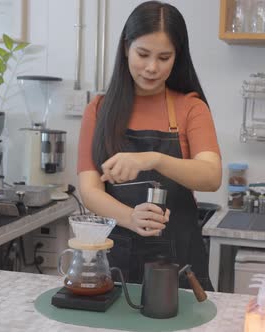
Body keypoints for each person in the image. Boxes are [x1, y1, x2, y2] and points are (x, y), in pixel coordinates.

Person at [77, 1, 221, 290]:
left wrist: (153, 159)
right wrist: (130, 217)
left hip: (179, 264)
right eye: (143, 54)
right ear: (126, 47)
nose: (152, 68)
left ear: (177, 58)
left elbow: (211, 176)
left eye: (164, 57)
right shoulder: (99, 109)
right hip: (113, 261)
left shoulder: (190, 108)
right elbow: (89, 190)